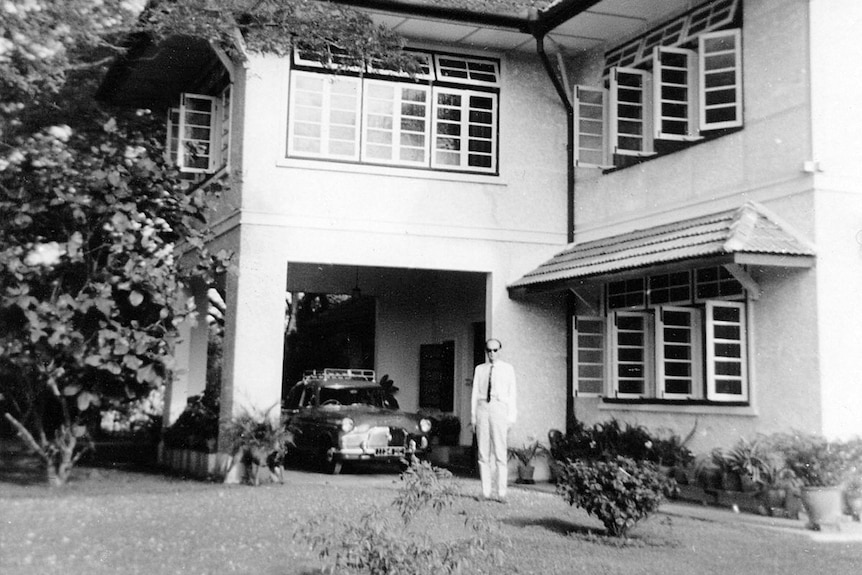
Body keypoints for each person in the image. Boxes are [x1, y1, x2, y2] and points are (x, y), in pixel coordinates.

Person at [470, 338, 517, 502]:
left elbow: (512, 395)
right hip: (483, 408)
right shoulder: (480, 369)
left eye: (495, 350)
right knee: (483, 453)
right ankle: (486, 491)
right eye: (489, 350)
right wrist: (473, 417)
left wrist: (511, 418)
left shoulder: (508, 369)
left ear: (500, 351)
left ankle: (501, 493)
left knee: (500, 452)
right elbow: (475, 393)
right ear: (486, 352)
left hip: (499, 409)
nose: (492, 354)